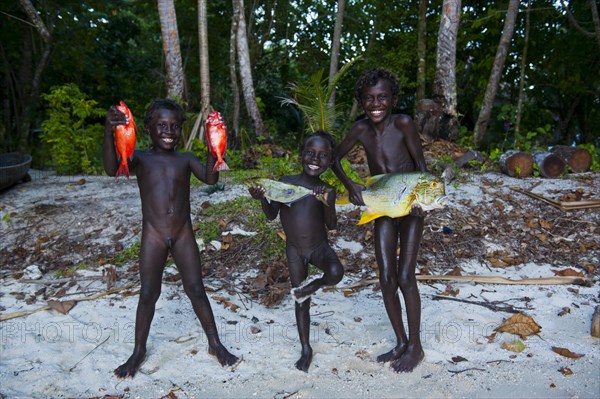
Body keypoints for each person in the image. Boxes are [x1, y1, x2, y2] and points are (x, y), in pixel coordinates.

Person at [104, 99, 239, 379]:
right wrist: (109, 131)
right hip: (153, 234)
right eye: (162, 125)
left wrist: (214, 145)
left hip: (182, 234)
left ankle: (215, 344)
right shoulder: (140, 158)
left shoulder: (186, 158)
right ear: (148, 129)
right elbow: (110, 168)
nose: (169, 131)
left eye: (175, 126)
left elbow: (211, 179)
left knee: (196, 289)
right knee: (148, 294)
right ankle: (138, 350)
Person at [332, 68, 427, 373]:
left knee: (404, 276)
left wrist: (421, 202)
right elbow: (333, 157)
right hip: (383, 206)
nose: (376, 103)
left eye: (382, 97)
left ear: (393, 99)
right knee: (386, 277)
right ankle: (400, 341)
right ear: (361, 102)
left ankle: (416, 346)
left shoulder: (403, 123)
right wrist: (350, 185)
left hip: (410, 207)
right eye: (369, 98)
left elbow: (421, 166)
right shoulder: (360, 130)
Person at [248, 131, 344, 372]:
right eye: (310, 153)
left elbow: (331, 225)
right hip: (295, 250)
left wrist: (327, 202)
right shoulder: (287, 182)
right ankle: (305, 348)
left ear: (329, 162)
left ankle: (312, 286)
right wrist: (261, 198)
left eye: (322, 156)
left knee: (336, 272)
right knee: (301, 302)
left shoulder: (326, 189)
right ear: (301, 155)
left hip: (318, 247)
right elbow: (271, 215)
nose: (315, 159)